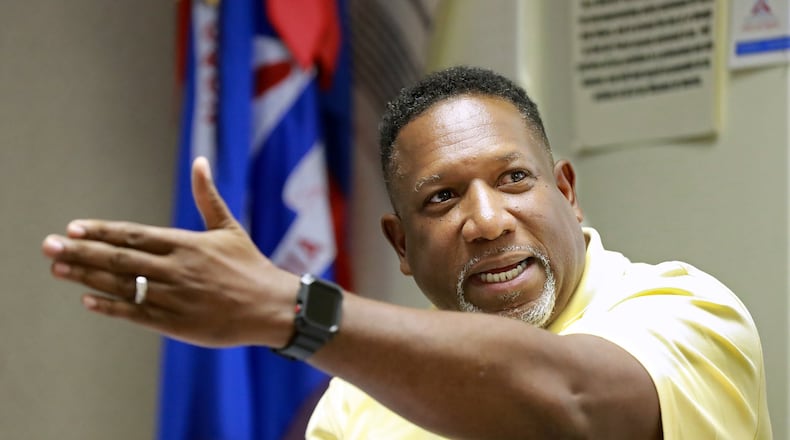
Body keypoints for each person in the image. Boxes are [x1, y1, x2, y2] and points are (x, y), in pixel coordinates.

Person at [42, 66, 771, 439]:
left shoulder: (687, 313)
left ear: (568, 194)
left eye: (514, 180)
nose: (486, 222)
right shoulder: (358, 398)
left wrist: (289, 311)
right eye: (441, 199)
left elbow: (572, 408)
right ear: (400, 243)